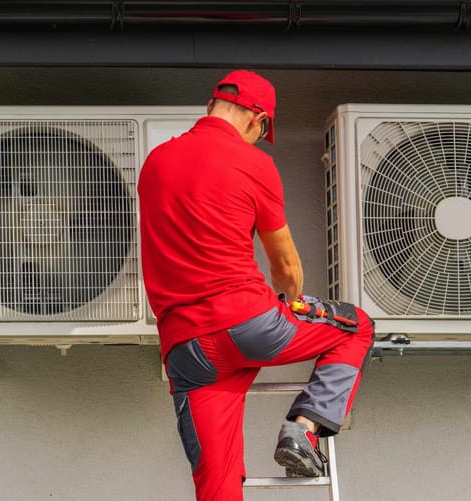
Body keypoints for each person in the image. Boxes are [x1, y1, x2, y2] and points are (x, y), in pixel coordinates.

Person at [138, 69, 375, 501]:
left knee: (218, 485)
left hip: (187, 351)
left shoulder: (155, 161)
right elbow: (284, 265)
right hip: (250, 325)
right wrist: (294, 301)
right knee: (356, 327)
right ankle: (302, 431)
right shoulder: (253, 163)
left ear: (211, 106)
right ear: (257, 119)